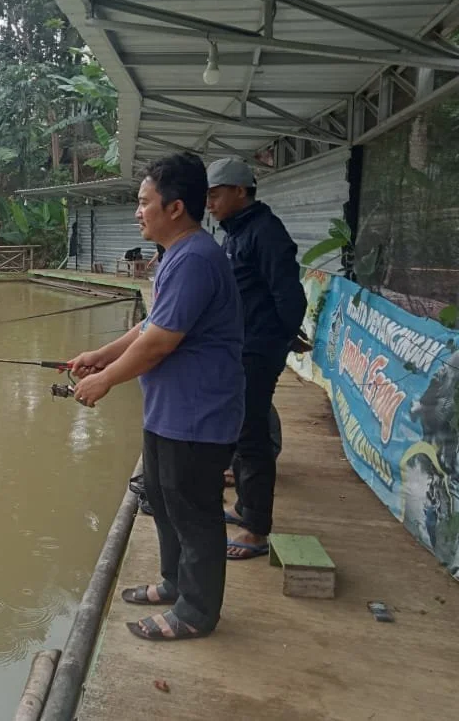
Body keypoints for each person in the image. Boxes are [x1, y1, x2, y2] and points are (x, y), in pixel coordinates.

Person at [70, 152, 244, 641]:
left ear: (175, 207)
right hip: (169, 413)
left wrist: (104, 381)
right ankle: (174, 583)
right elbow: (150, 326)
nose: (137, 211)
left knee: (194, 512)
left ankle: (196, 611)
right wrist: (100, 356)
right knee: (165, 505)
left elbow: (160, 344)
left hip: (197, 414)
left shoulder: (195, 259)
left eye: (144, 202)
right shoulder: (177, 256)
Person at [206, 157, 307, 560]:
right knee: (243, 431)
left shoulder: (265, 233)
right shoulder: (238, 232)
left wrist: (279, 341)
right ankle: (246, 506)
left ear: (240, 191)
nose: (210, 204)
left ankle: (256, 529)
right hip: (241, 348)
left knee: (252, 438)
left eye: (215, 195)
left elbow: (289, 295)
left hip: (256, 351)